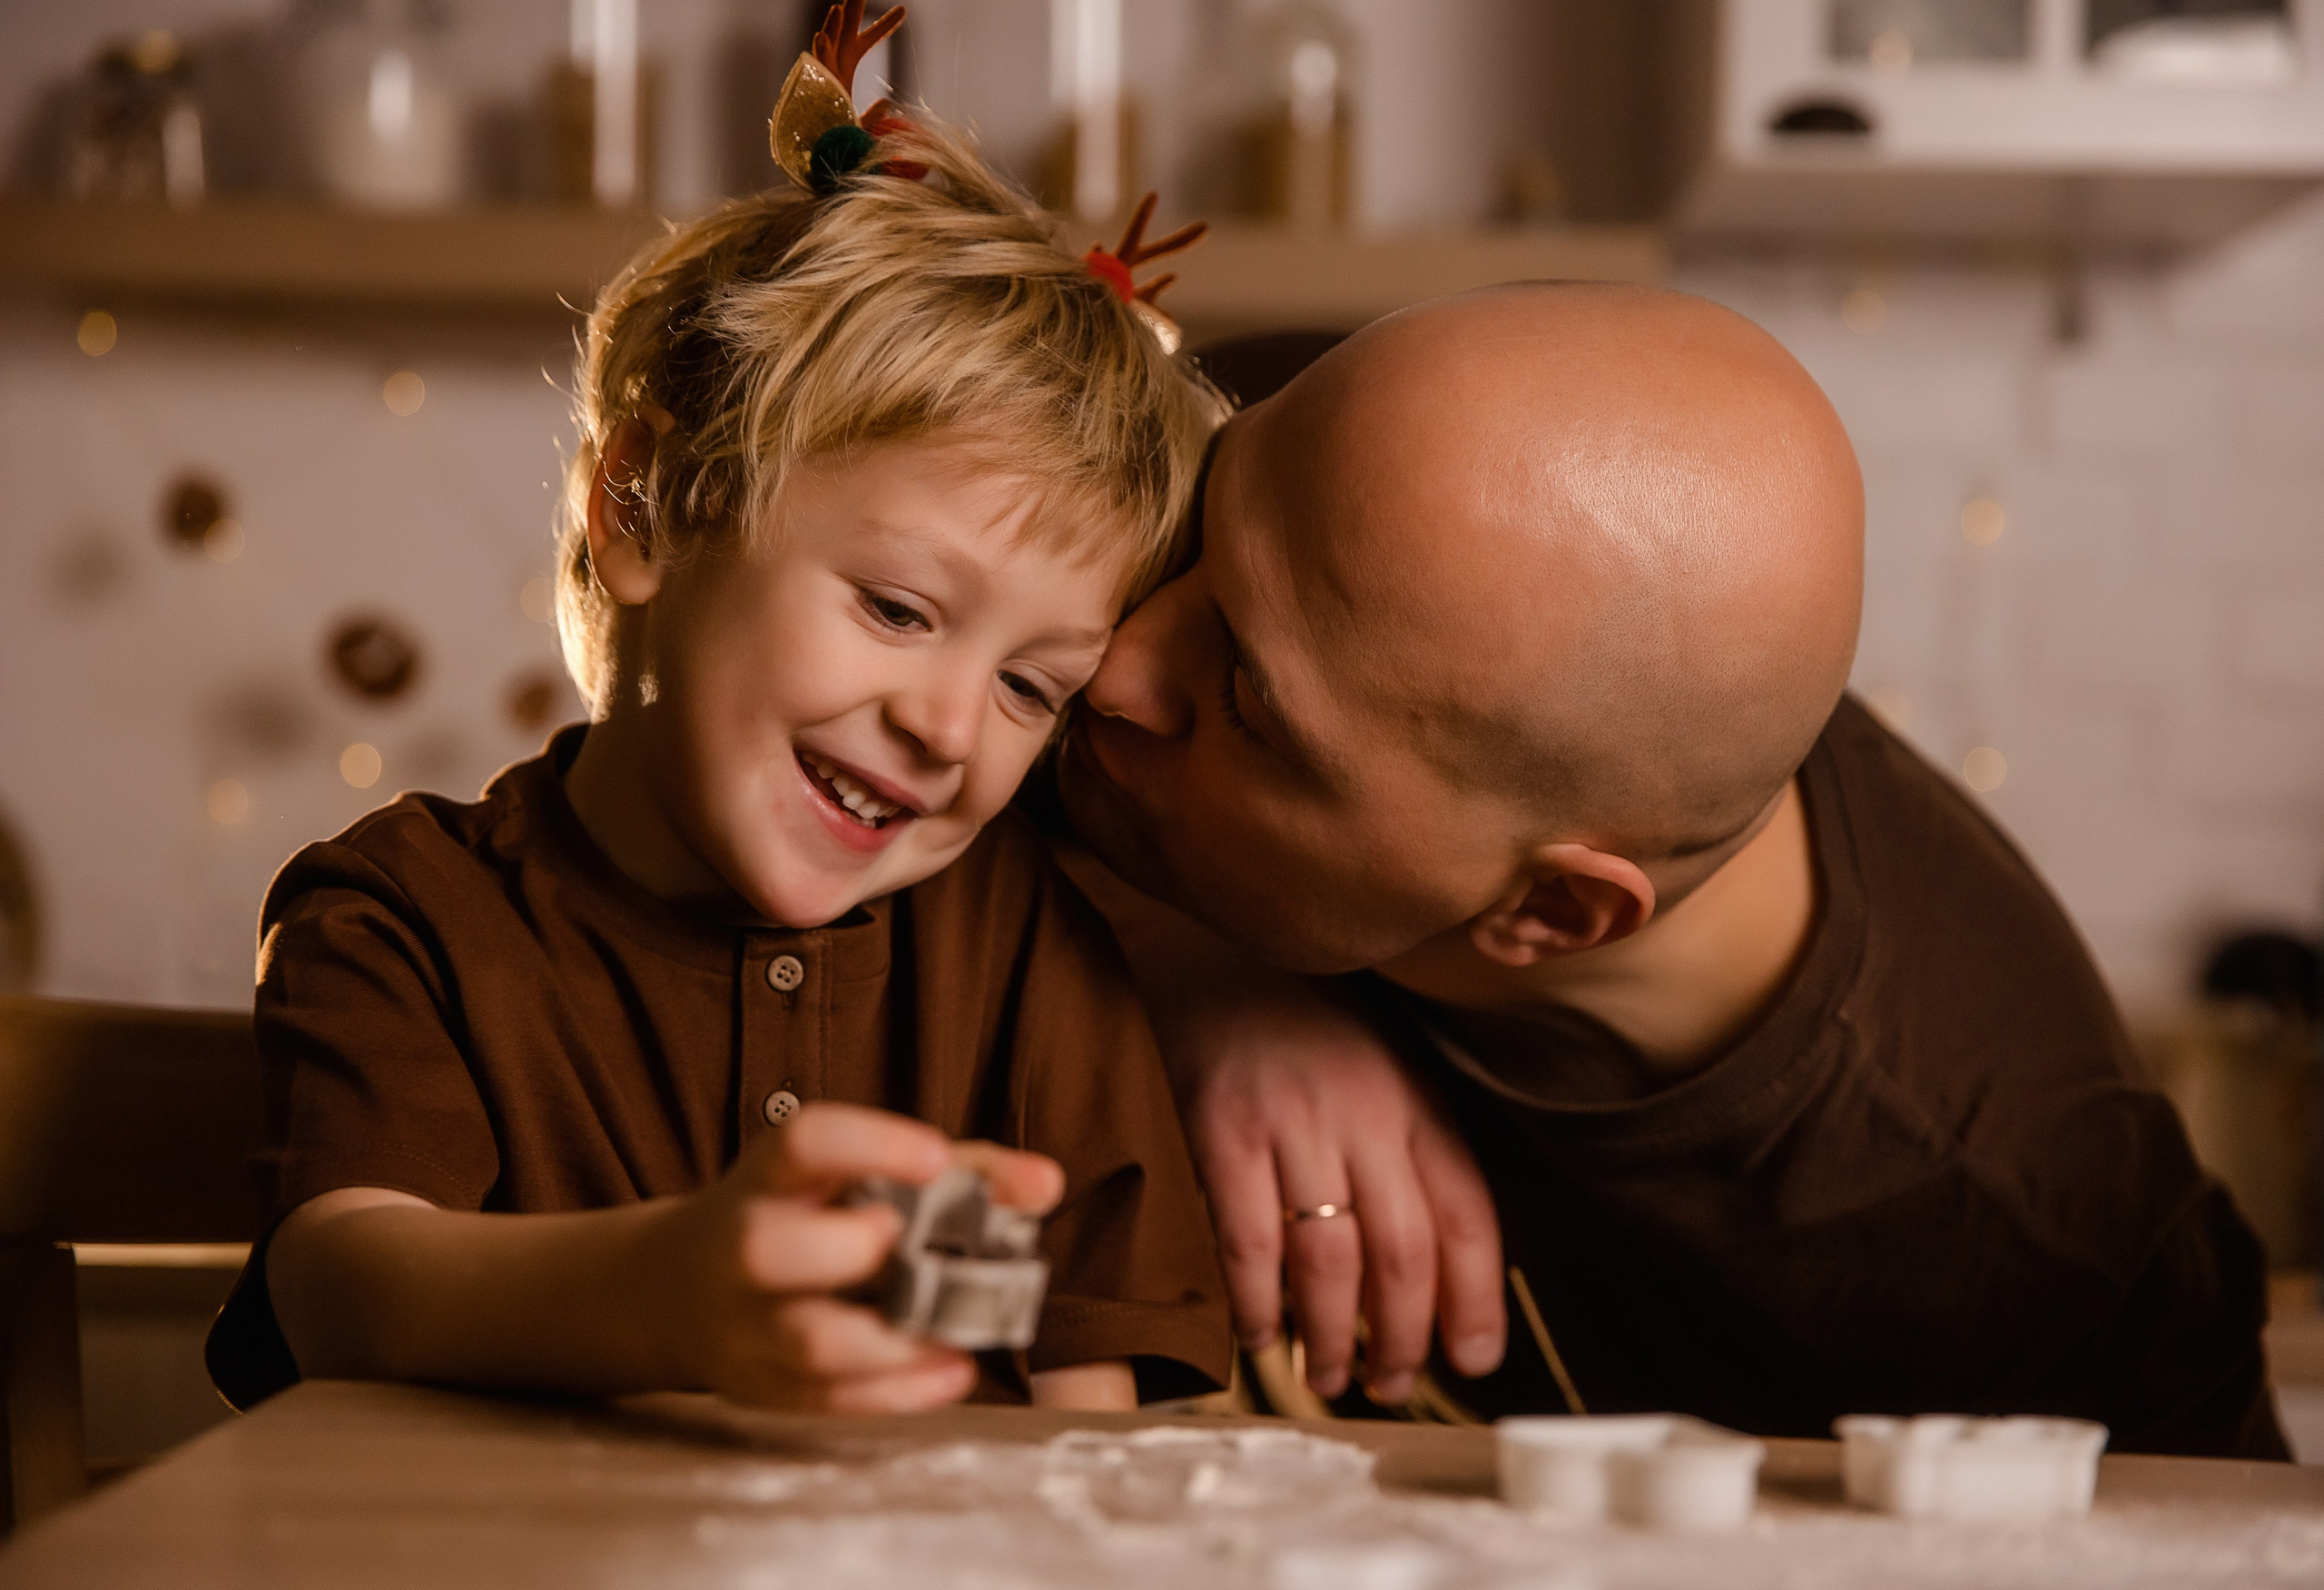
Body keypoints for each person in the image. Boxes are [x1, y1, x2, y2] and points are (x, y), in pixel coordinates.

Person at [1057, 283, 2287, 1457]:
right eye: (1198, 532)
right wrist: (1181, 957)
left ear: (1552, 909)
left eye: (1247, 703)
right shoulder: (1333, 451)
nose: (1110, 665)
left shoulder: (2032, 1244)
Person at [204, 74, 1232, 1418]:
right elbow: (340, 1287)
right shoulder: (401, 919)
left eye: (1032, 689)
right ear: (643, 506)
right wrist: (659, 1297)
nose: (947, 728)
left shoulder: (1029, 949)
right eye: (897, 609)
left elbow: (1093, 1419)